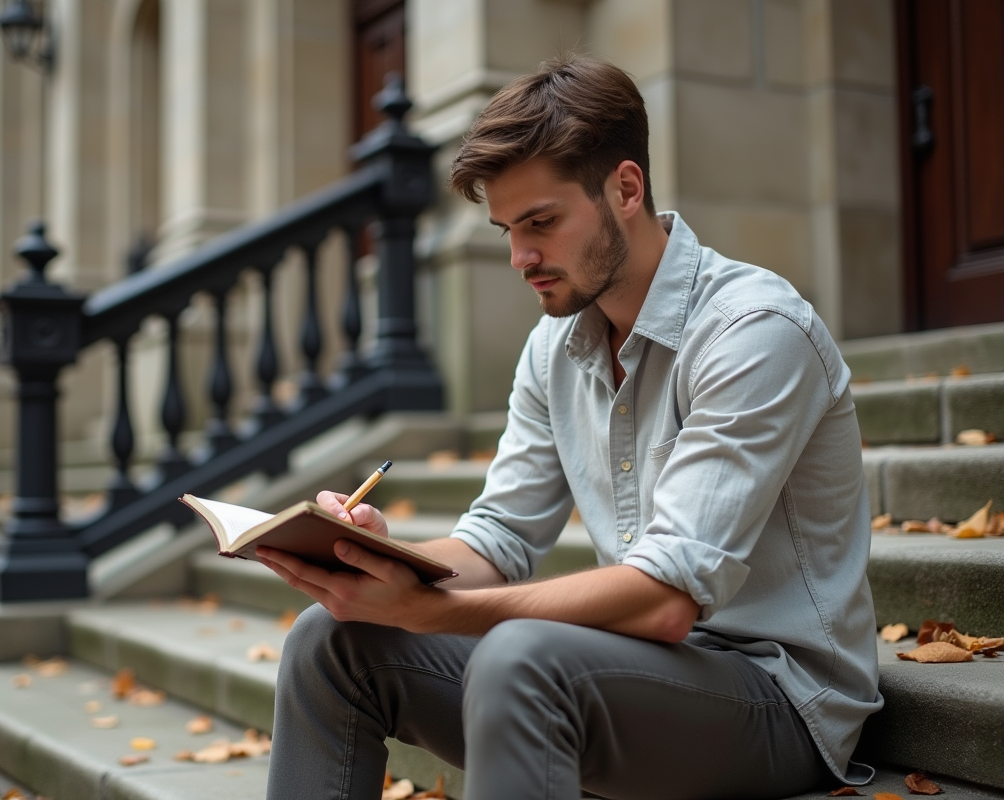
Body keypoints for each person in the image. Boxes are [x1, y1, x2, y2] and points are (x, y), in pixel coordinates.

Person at [258, 55, 882, 800]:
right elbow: (500, 536)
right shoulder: (556, 345)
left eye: (541, 223)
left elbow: (664, 598)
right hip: (621, 680)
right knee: (328, 640)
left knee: (519, 658)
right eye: (506, 230)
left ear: (625, 188)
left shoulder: (755, 331)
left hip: (780, 704)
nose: (521, 258)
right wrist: (381, 564)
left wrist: (435, 610)